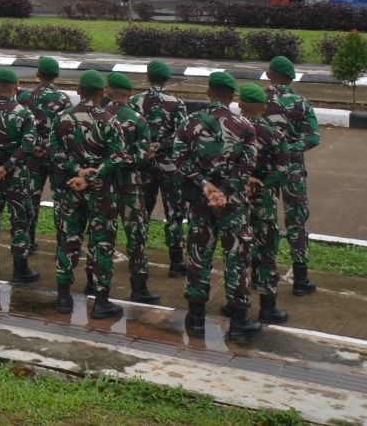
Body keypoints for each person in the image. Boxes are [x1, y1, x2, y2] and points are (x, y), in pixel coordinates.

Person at [175, 70, 262, 339]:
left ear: (208, 91)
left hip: (202, 202)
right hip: (233, 204)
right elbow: (247, 165)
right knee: (236, 258)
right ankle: (238, 322)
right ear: (233, 96)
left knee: (199, 256)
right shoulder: (245, 126)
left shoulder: (190, 122)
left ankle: (196, 319)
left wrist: (205, 185)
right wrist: (224, 190)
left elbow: (179, 158)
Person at [51, 69, 126, 320]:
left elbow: (56, 152)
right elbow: (117, 156)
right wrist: (92, 177)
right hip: (101, 192)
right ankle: (101, 302)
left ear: (79, 91)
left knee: (69, 240)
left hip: (71, 188)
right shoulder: (109, 120)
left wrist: (78, 172)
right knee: (101, 245)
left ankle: (63, 297)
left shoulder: (62, 118)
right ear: (102, 94)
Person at [0, 68, 39, 284]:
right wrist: (8, 167)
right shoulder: (24, 114)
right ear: (16, 86)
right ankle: (20, 269)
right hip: (17, 177)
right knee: (19, 221)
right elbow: (28, 146)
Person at [263, 55, 320, 297]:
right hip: (293, 171)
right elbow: (313, 137)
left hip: (264, 171)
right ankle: (300, 278)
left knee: (266, 221)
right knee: (296, 221)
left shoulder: (257, 100)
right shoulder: (301, 102)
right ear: (290, 78)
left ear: (270, 73)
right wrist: (288, 149)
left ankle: (264, 274)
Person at [105, 72, 160, 304]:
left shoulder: (99, 116)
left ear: (108, 92)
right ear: (129, 94)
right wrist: (146, 154)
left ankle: (95, 283)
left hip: (103, 184)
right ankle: (139, 288)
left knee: (102, 236)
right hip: (129, 186)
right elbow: (141, 157)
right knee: (136, 237)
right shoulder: (137, 120)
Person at [238, 82, 291, 324]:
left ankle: (236, 304)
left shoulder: (232, 130)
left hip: (237, 199)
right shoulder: (275, 134)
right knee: (267, 251)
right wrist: (263, 185)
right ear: (264, 107)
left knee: (238, 251)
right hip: (264, 202)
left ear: (240, 105)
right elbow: (282, 171)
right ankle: (267, 307)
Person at [137, 60, 187, 276]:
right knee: (174, 213)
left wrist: (146, 148)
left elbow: (129, 130)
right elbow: (182, 136)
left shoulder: (135, 101)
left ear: (147, 77)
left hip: (144, 164)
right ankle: (176, 263)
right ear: (167, 80)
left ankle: (138, 258)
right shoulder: (176, 103)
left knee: (142, 212)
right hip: (169, 167)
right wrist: (162, 146)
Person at [18, 55, 71, 253]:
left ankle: (29, 241)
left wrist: (34, 147)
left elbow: (22, 128)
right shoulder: (64, 100)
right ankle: (63, 242)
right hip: (56, 156)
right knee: (61, 199)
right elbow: (65, 130)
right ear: (56, 76)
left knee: (31, 197)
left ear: (38, 74)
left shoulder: (25, 98)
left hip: (33, 156)